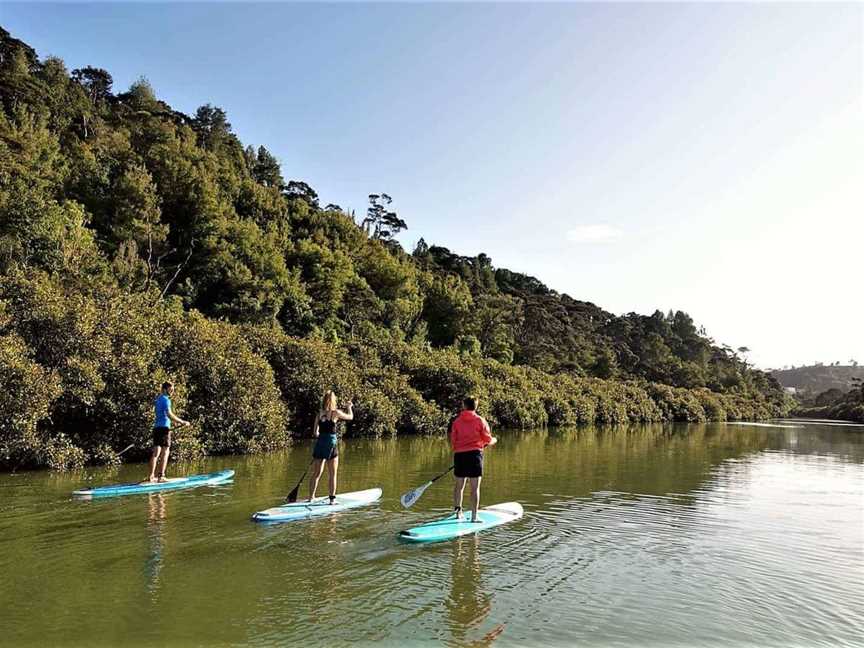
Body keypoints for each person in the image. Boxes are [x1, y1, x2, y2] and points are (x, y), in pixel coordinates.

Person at [450, 396, 497, 522]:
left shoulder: (457, 421)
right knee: (474, 488)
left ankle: (457, 513)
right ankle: (474, 517)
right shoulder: (480, 421)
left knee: (459, 486)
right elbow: (488, 439)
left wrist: (459, 450)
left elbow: (453, 441)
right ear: (475, 406)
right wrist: (494, 440)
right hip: (475, 456)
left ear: (464, 406)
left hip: (460, 456)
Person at [308, 390, 353, 503]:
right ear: (334, 400)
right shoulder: (336, 413)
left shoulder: (319, 414)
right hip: (331, 445)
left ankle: (311, 497)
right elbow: (350, 417)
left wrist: (321, 436)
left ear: (323, 400)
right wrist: (349, 407)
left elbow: (315, 433)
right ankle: (332, 500)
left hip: (320, 445)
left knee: (316, 473)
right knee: (332, 474)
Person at [146, 382, 190, 483]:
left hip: (157, 428)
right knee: (165, 452)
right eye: (170, 390)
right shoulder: (166, 400)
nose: (172, 392)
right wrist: (182, 422)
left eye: (172, 390)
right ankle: (161, 477)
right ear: (165, 389)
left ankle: (151, 476)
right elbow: (169, 414)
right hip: (164, 429)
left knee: (156, 452)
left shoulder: (158, 400)